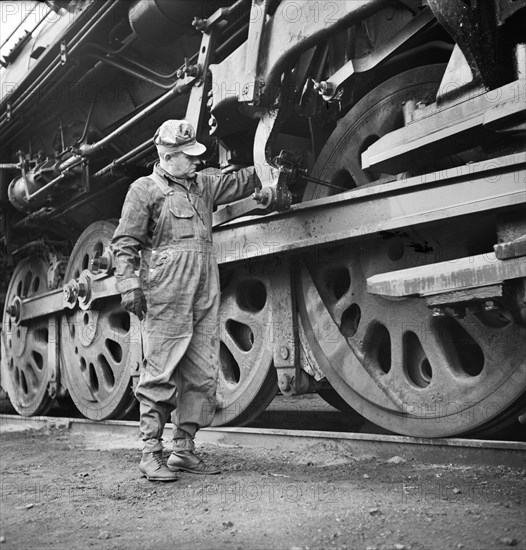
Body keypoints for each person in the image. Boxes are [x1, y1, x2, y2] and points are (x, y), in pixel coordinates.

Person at [111, 119, 259, 482]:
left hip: (205, 287)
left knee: (201, 372)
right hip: (167, 291)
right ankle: (150, 453)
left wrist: (271, 165)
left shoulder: (203, 184)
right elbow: (124, 243)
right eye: (188, 156)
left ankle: (183, 449)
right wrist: (129, 284)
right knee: (160, 371)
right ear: (168, 156)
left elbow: (239, 181)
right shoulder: (144, 190)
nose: (196, 161)